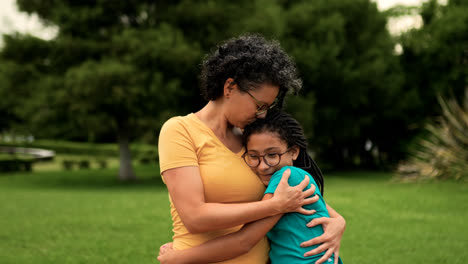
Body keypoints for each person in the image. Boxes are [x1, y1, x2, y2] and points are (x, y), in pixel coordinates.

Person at [158, 34, 345, 264]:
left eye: (268, 107)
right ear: (230, 87)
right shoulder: (180, 131)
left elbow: (292, 193)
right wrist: (273, 206)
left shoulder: (254, 143)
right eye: (259, 105)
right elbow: (195, 217)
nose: (263, 114)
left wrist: (337, 221)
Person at [158, 111, 344, 264]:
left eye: (272, 155)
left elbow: (244, 240)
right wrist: (339, 221)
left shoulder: (287, 178)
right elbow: (329, 213)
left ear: (294, 151)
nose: (263, 166)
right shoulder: (289, 181)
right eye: (253, 156)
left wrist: (178, 258)